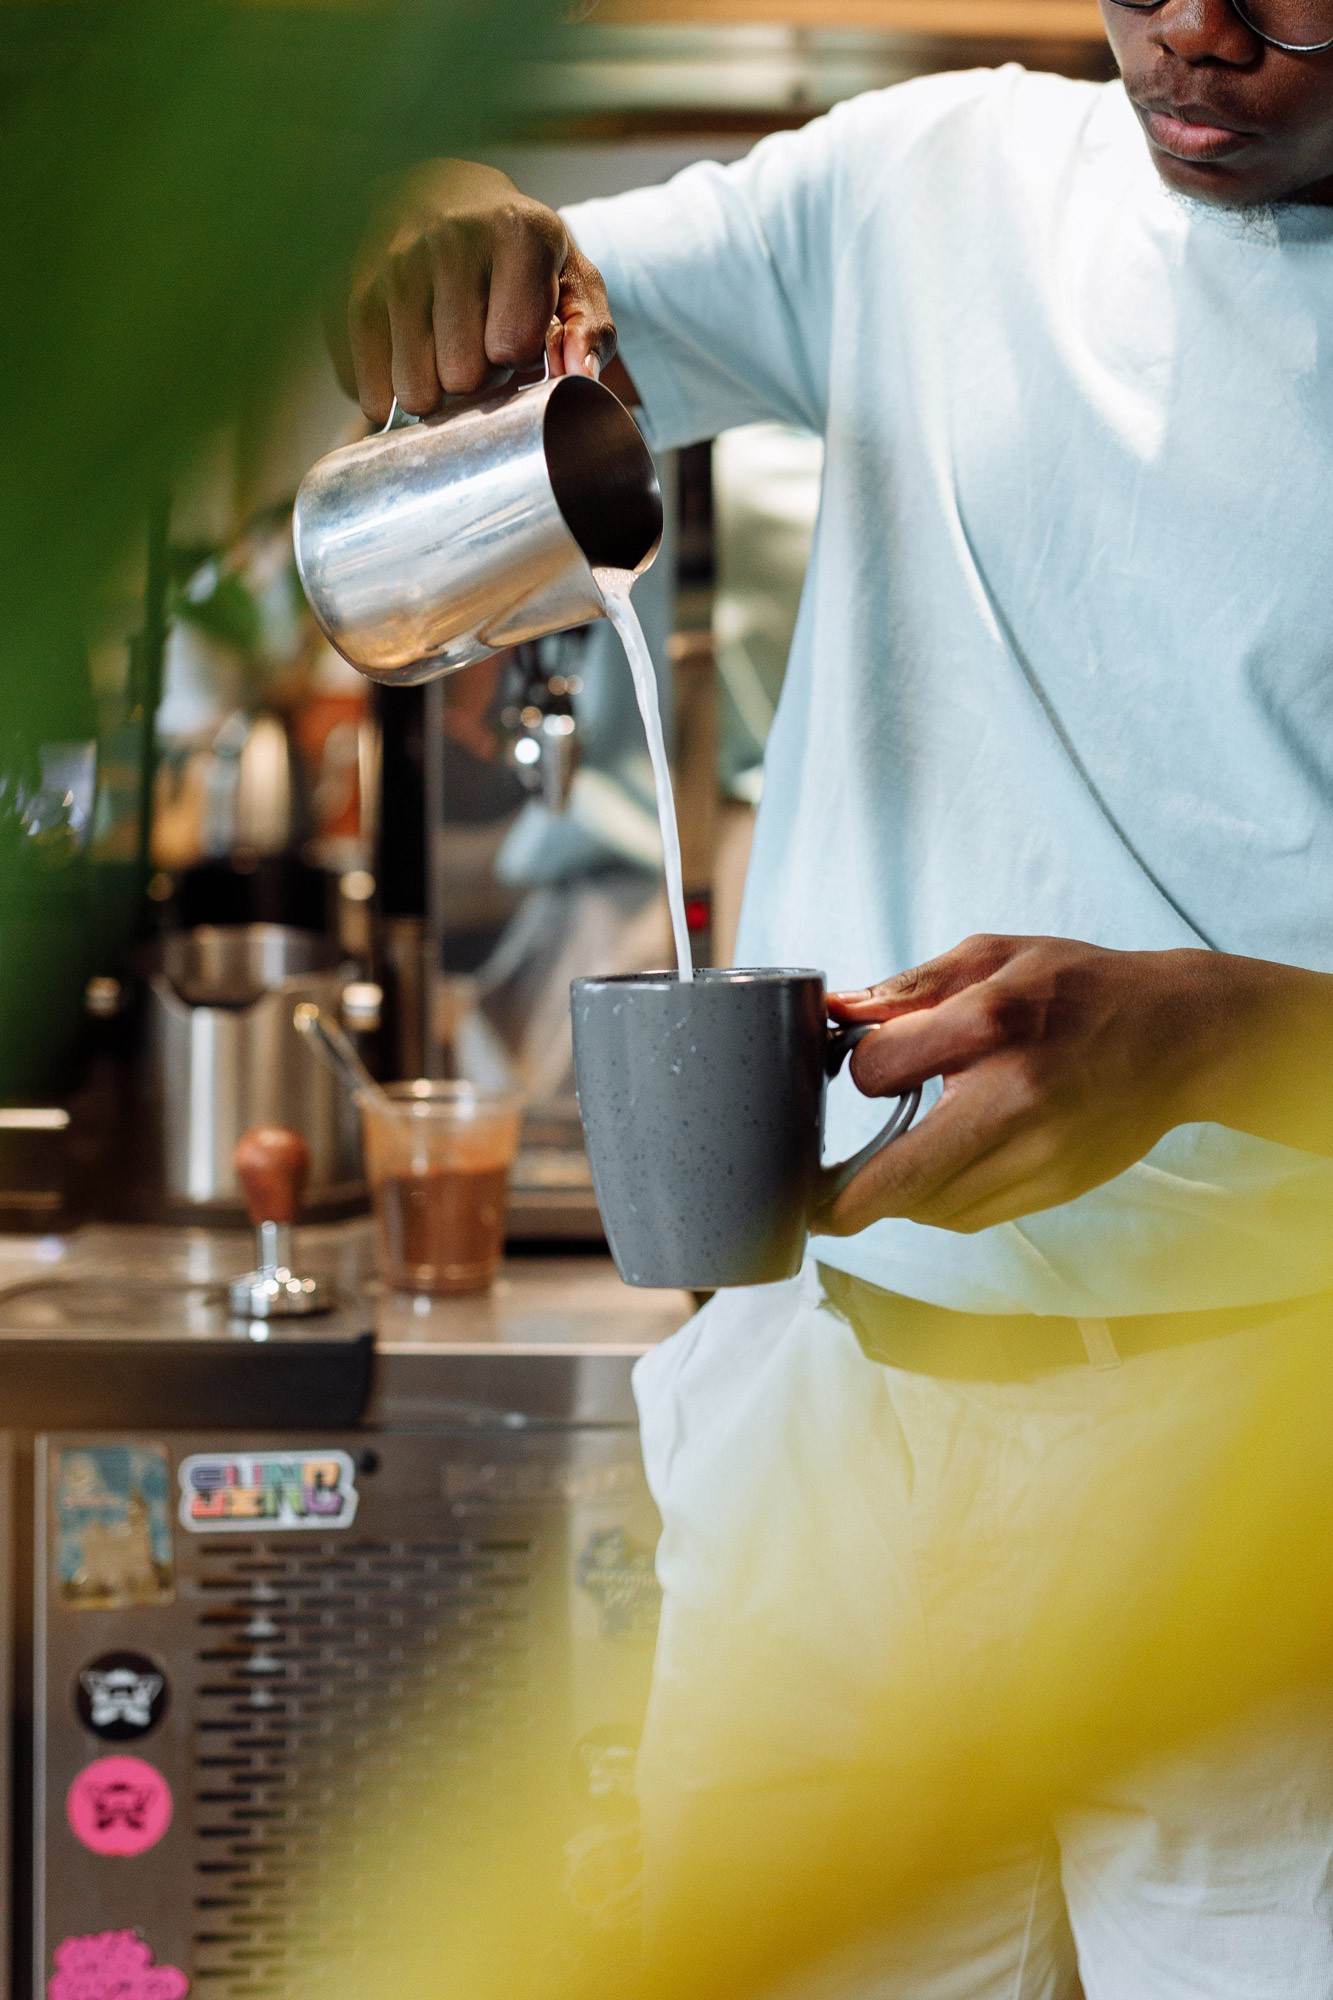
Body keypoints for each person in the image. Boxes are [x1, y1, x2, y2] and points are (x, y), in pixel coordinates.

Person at [332, 2, 1333, 1991]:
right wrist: (458, 233)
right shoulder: (923, 183)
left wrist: (1218, 1034)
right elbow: (555, 292)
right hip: (828, 1439)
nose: (1197, 38)